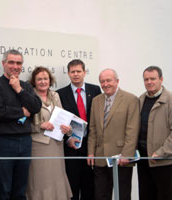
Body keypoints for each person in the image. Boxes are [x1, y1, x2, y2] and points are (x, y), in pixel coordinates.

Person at [0, 49, 42, 200]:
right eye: (11, 62)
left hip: (25, 141)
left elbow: (36, 106)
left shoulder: (26, 86)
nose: (15, 66)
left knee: (20, 189)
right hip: (4, 142)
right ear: (3, 64)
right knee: (3, 189)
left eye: (18, 63)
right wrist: (21, 112)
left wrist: (19, 89)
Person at [87, 69, 140, 200]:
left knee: (122, 195)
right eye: (102, 81)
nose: (105, 84)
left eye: (108, 80)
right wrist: (90, 152)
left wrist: (127, 154)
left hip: (121, 157)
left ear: (117, 81)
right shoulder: (96, 100)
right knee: (100, 195)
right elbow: (92, 129)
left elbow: (132, 130)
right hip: (100, 158)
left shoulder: (130, 99)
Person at [57, 59, 101, 200]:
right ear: (68, 73)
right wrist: (67, 139)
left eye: (79, 71)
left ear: (85, 72)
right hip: (71, 147)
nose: (76, 74)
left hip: (92, 147)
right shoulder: (60, 94)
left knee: (90, 188)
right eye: (72, 72)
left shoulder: (95, 90)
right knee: (72, 187)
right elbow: (59, 121)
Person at [26, 66, 73, 200]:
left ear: (50, 80)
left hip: (57, 145)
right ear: (34, 81)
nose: (43, 82)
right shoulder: (29, 96)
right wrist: (40, 125)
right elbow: (23, 123)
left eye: (45, 78)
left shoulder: (55, 95)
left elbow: (62, 116)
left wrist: (68, 129)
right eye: (39, 79)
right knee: (40, 181)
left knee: (56, 180)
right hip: (38, 146)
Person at [137, 66, 172, 200]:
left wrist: (161, 152)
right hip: (144, 160)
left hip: (163, 161)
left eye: (153, 79)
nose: (149, 82)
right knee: (145, 196)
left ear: (161, 79)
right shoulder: (141, 100)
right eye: (146, 79)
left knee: (164, 196)